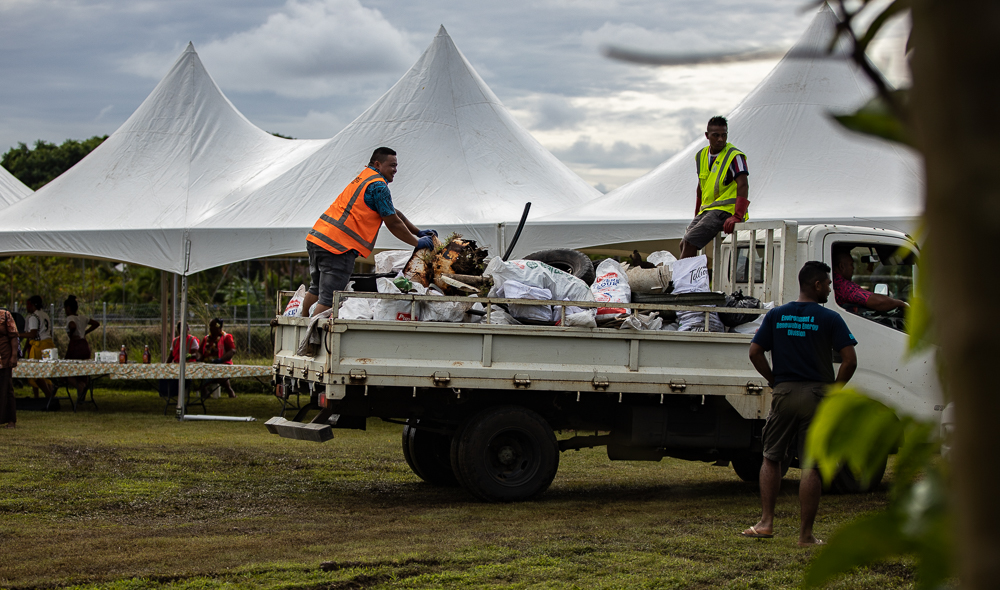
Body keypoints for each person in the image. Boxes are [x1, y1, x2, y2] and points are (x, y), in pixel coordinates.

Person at [741, 261, 858, 547]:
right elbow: (850, 360)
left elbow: (755, 352)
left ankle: (766, 523)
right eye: (828, 284)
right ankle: (805, 535)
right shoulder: (830, 319)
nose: (830, 288)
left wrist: (774, 380)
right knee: (812, 465)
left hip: (784, 392)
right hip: (818, 395)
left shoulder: (777, 315)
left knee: (772, 457)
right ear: (816, 285)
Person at [300, 147, 437, 317]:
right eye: (392, 165)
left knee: (316, 288)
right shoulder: (379, 186)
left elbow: (394, 213)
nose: (395, 170)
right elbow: (393, 223)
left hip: (318, 238)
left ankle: (302, 320)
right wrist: (417, 243)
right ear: (378, 164)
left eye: (396, 165)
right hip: (338, 246)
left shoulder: (365, 178)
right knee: (329, 298)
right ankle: (311, 337)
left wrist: (418, 232)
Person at [679, 116, 750, 259]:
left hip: (725, 209)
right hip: (708, 210)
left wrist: (737, 215)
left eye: (724, 135)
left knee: (690, 241)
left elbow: (743, 184)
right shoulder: (701, 156)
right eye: (716, 135)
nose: (720, 139)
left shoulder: (734, 156)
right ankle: (693, 277)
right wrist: (697, 213)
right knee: (683, 244)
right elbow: (701, 187)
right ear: (707, 136)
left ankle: (681, 280)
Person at [832, 249, 908, 314]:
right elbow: (878, 302)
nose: (853, 268)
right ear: (841, 266)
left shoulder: (832, 280)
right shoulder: (843, 286)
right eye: (851, 264)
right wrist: (900, 303)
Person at [63, 295, 100, 403]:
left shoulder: (70, 318)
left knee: (66, 370)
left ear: (68, 308)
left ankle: (80, 387)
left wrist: (71, 333)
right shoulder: (83, 317)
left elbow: (73, 325)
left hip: (75, 345)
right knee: (83, 369)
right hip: (84, 344)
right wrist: (86, 332)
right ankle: (82, 389)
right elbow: (96, 323)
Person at [17, 295, 55, 399]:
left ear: (33, 305)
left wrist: (17, 334)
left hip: (39, 346)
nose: (26, 308)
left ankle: (48, 395)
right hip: (48, 344)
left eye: (28, 305)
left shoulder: (33, 317)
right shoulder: (45, 315)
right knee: (46, 371)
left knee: (36, 372)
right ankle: (50, 394)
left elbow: (32, 334)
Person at [200, 318, 236, 399]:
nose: (210, 328)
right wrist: (199, 358)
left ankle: (229, 390)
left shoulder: (226, 337)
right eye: (210, 326)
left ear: (218, 327)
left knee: (219, 371)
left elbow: (232, 351)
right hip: (207, 364)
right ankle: (204, 391)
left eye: (212, 326)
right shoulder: (206, 339)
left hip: (222, 363)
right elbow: (199, 352)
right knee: (197, 371)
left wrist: (220, 360)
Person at [0, 308, 18, 428]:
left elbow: (13, 336)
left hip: (4, 358)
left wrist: (14, 356)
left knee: (6, 388)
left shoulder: (5, 315)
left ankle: (11, 420)